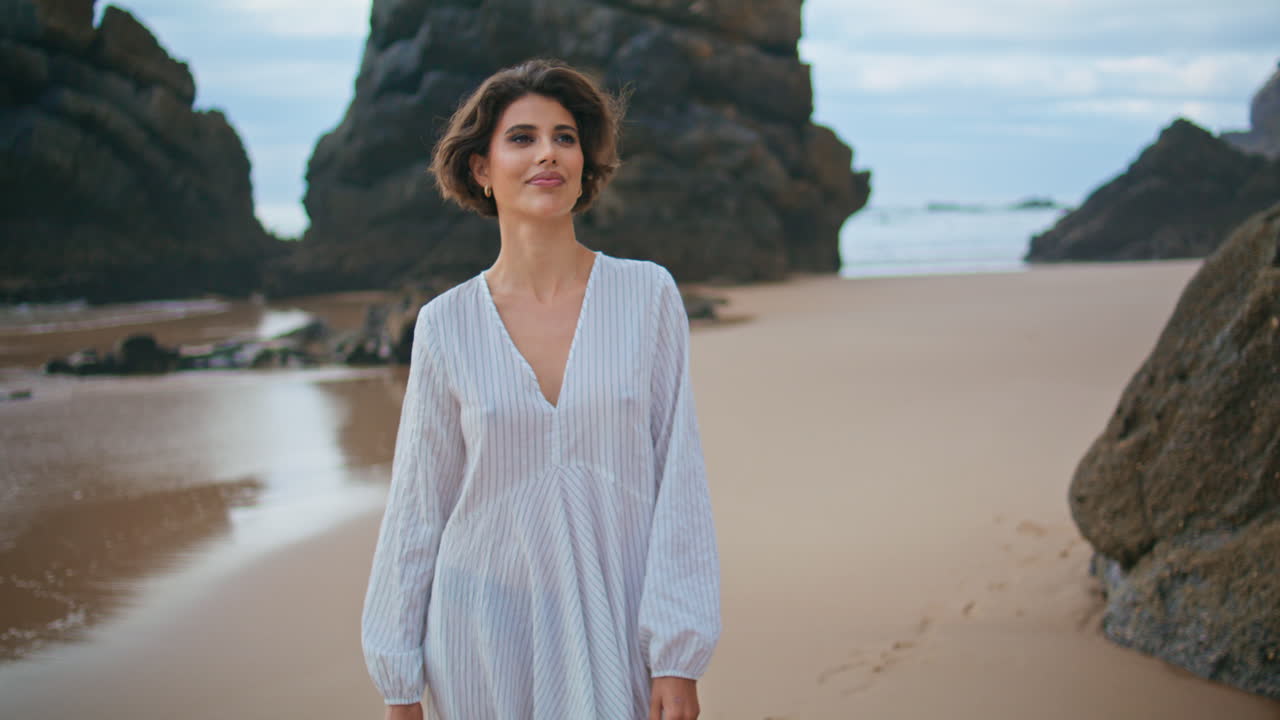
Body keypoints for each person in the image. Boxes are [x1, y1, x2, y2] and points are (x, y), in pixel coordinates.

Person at [360, 58, 721, 720]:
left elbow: (680, 478)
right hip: (484, 634)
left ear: (585, 162)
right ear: (481, 168)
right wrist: (398, 677)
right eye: (521, 137)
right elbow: (418, 504)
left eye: (564, 136)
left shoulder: (648, 296)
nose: (547, 153)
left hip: (618, 619)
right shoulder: (445, 326)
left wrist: (677, 652)